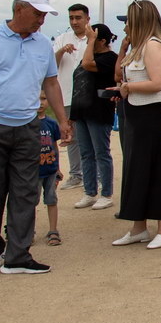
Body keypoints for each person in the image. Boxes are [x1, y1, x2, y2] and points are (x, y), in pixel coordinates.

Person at [0, 0, 71, 275]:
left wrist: (62, 120)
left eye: (44, 15)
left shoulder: (42, 45)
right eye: (37, 14)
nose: (41, 21)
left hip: (27, 128)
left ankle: (18, 256)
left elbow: (51, 83)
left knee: (25, 192)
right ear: (19, 9)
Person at [111, 0, 161, 250]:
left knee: (156, 171)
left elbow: (157, 83)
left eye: (128, 20)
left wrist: (128, 87)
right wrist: (122, 87)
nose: (126, 25)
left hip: (151, 117)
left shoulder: (152, 45)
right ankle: (138, 227)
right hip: (136, 116)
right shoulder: (137, 47)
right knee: (136, 171)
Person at [69, 23, 117, 212]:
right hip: (82, 112)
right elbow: (79, 81)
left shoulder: (110, 58)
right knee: (86, 154)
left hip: (99, 112)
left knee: (101, 153)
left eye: (93, 38)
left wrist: (89, 41)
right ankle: (90, 192)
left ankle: (106, 194)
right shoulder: (89, 56)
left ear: (102, 41)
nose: (89, 41)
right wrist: (73, 115)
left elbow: (88, 65)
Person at [52, 3, 90, 189]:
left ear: (87, 19)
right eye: (71, 18)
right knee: (70, 136)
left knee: (91, 136)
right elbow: (51, 65)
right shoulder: (62, 39)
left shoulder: (93, 38)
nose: (74, 22)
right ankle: (76, 174)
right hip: (67, 95)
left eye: (78, 18)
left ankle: (94, 174)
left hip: (89, 97)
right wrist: (60, 51)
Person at [38, 89, 63, 247]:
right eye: (36, 98)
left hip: (50, 170)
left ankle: (53, 230)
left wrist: (58, 168)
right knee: (29, 202)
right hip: (32, 172)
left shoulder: (52, 123)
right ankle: (28, 231)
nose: (40, 102)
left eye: (43, 98)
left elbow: (54, 146)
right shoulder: (26, 124)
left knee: (51, 200)